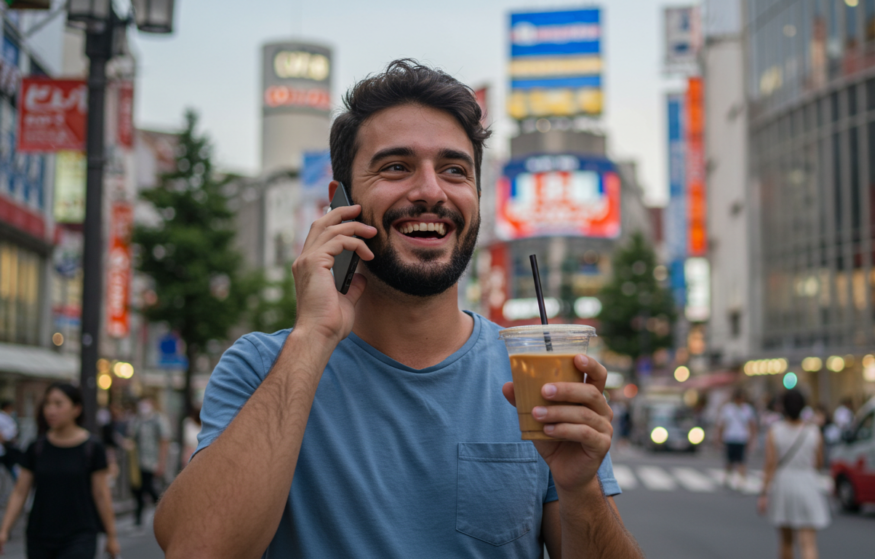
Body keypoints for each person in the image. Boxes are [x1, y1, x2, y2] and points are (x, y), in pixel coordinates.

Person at [154, 60, 641, 559]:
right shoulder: (261, 367)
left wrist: (581, 489)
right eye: (396, 167)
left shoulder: (533, 375)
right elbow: (196, 547)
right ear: (339, 202)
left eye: (455, 170)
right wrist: (313, 336)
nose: (431, 191)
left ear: (476, 196)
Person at [0, 383, 119, 558]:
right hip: (39, 536)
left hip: (80, 535)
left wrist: (111, 536)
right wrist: (4, 530)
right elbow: (20, 492)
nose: (51, 410)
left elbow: (101, 494)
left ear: (76, 409)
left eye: (58, 404)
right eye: (48, 404)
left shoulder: (92, 448)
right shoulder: (37, 447)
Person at [758, 389, 830, 559]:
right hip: (807, 483)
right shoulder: (813, 432)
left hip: (784, 484)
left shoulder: (774, 431)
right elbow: (819, 463)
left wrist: (763, 493)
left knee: (786, 541)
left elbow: (770, 464)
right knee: (808, 542)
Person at [129, 397, 170, 526]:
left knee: (149, 488)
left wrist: (161, 462)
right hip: (137, 462)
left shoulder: (158, 419)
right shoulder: (137, 420)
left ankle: (165, 512)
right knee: (137, 489)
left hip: (151, 461)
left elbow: (164, 441)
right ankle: (138, 520)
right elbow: (131, 436)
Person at [716, 388, 757, 489]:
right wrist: (719, 437)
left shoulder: (747, 409)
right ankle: (728, 478)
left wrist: (752, 438)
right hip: (730, 437)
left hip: (742, 438)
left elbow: (752, 425)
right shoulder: (728, 408)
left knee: (741, 461)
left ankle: (741, 481)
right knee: (729, 460)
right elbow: (722, 424)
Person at [0, 400, 20, 481]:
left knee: (10, 467)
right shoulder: (2, 418)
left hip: (6, 448)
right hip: (4, 447)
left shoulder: (7, 418)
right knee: (10, 467)